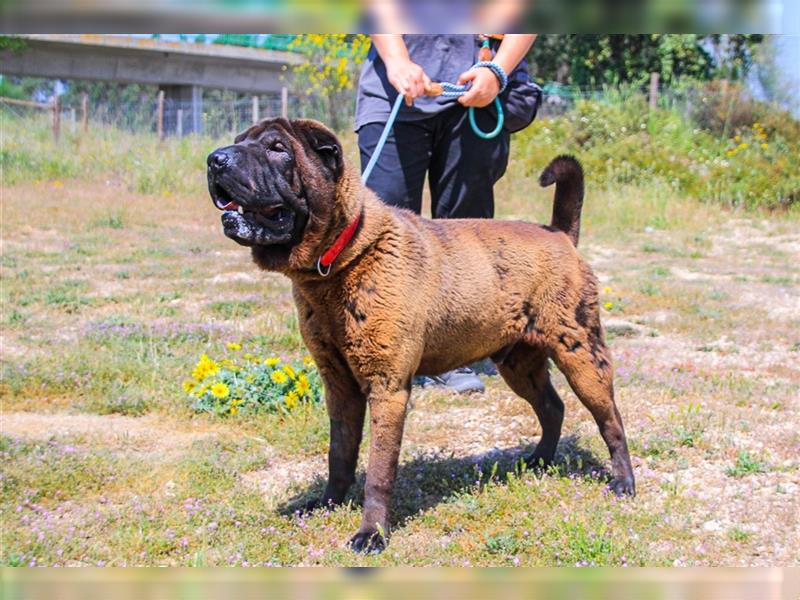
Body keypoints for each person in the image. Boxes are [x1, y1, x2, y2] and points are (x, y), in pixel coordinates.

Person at [355, 33, 537, 393]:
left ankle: (457, 355)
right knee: (383, 233)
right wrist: (397, 61)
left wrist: (498, 72)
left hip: (475, 97)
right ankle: (379, 348)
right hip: (393, 94)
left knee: (466, 235)